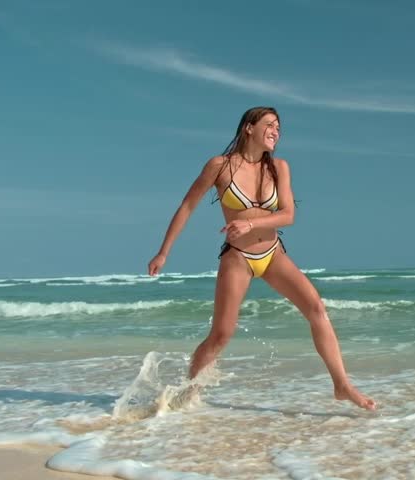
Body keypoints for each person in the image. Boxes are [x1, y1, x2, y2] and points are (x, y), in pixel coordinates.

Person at [147, 106, 376, 410]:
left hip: (272, 253)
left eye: (279, 128)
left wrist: (251, 223)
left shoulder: (279, 167)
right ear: (249, 128)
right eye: (269, 125)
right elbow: (187, 206)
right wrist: (164, 252)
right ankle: (188, 394)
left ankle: (342, 385)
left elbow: (288, 215)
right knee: (221, 334)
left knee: (316, 308)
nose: (275, 132)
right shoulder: (220, 166)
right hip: (238, 257)